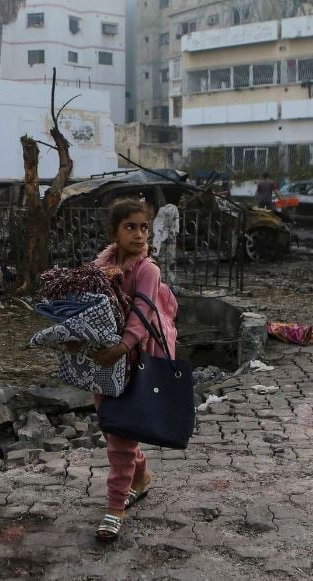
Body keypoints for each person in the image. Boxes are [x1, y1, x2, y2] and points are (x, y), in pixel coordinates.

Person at [88, 198, 179, 542]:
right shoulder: (100, 266)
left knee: (122, 435)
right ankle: (140, 478)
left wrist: (122, 348)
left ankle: (115, 508)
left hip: (137, 357)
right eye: (131, 227)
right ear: (114, 232)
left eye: (144, 227)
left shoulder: (148, 270)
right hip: (106, 360)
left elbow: (142, 314)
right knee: (113, 427)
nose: (140, 235)